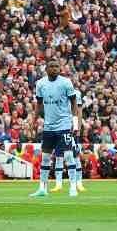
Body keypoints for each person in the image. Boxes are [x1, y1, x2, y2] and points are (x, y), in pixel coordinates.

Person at [29, 58, 81, 198]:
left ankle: (72, 187)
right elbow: (39, 104)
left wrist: (74, 123)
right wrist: (34, 120)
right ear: (46, 69)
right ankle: (42, 188)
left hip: (64, 125)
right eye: (51, 66)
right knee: (45, 158)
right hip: (48, 126)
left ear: (60, 68)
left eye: (56, 66)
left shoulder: (66, 82)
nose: (54, 69)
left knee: (69, 156)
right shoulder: (40, 83)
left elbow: (74, 102)